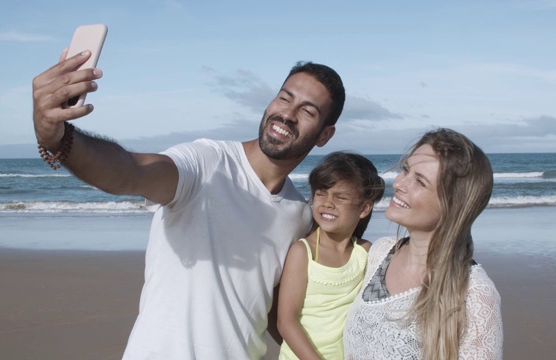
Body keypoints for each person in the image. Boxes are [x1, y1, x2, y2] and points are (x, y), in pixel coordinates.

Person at [32, 49, 346, 359]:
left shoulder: (300, 214)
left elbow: (281, 312)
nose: (287, 114)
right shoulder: (206, 163)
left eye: (308, 111)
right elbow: (129, 171)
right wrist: (57, 139)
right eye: (284, 97)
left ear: (324, 135)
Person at [343, 128, 503, 360]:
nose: (398, 184)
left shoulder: (475, 294)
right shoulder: (382, 251)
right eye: (405, 170)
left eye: (419, 182)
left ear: (452, 205)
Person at [277, 152, 385, 359]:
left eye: (340, 197)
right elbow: (286, 321)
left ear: (364, 209)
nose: (327, 203)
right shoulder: (304, 252)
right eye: (321, 193)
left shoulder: (365, 252)